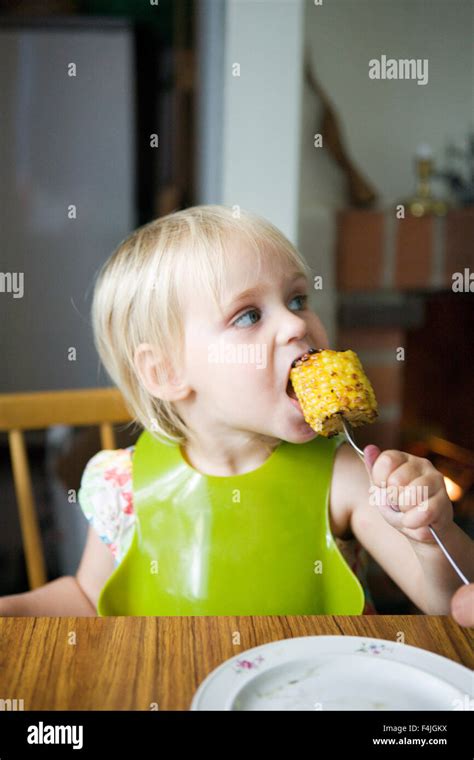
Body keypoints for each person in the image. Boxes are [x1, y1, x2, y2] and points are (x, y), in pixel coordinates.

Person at [1, 205, 472, 616]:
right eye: (248, 315)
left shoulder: (345, 477)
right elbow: (86, 601)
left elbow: (447, 601)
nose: (295, 323)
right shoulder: (119, 488)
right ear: (165, 371)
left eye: (297, 299)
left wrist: (431, 535)